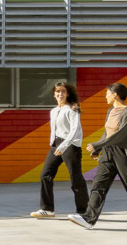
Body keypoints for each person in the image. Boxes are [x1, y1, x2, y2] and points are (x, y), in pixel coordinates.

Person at [69, 82, 127, 231]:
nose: (105, 96)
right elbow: (108, 132)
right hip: (108, 152)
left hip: (122, 153)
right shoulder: (111, 111)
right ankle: (89, 219)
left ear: (115, 95)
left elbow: (120, 135)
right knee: (98, 185)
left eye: (107, 93)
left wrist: (98, 144)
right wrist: (99, 148)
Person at [31, 81, 86, 218]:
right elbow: (54, 129)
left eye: (63, 91)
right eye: (58, 92)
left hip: (70, 145)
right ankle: (47, 209)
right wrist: (54, 143)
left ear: (67, 94)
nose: (60, 94)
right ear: (54, 95)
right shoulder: (54, 111)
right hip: (56, 144)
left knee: (76, 178)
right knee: (45, 175)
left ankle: (83, 211)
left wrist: (64, 146)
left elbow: (75, 130)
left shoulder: (72, 109)